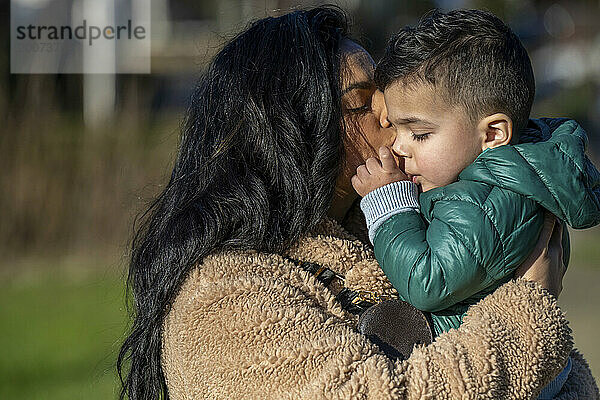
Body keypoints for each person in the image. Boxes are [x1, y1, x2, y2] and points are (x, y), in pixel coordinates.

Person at [116, 7, 599, 400]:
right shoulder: (223, 302)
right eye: (361, 104)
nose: (395, 124)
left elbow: (569, 383)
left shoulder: (398, 226)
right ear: (288, 135)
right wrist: (528, 309)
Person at [352, 9, 600, 335]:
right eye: (396, 128)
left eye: (420, 134)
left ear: (493, 134)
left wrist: (388, 205)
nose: (398, 146)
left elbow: (427, 281)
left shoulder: (489, 201)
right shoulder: (491, 181)